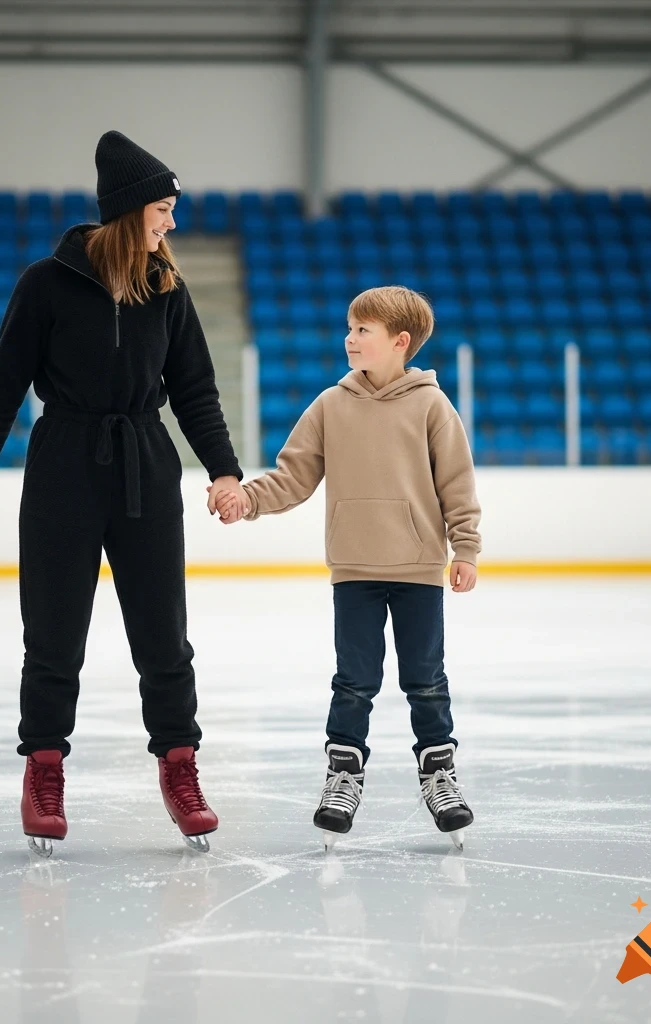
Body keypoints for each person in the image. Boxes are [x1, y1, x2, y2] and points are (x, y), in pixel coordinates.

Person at [0, 130, 249, 856]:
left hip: (146, 461)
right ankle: (44, 769)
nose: (171, 224)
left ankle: (179, 766)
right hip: (63, 463)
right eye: (163, 210)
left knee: (162, 633)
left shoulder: (166, 288)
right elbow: (3, 381)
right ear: (129, 211)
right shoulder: (45, 284)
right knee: (53, 632)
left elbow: (196, 390)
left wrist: (223, 468)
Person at [213, 286, 480, 850]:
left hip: (418, 569)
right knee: (354, 682)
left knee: (425, 681)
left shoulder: (432, 406)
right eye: (350, 328)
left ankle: (439, 777)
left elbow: (457, 484)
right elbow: (294, 475)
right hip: (354, 570)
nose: (350, 338)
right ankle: (343, 778)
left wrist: (467, 549)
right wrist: (249, 501)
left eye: (363, 330)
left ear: (399, 342)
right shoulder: (330, 406)